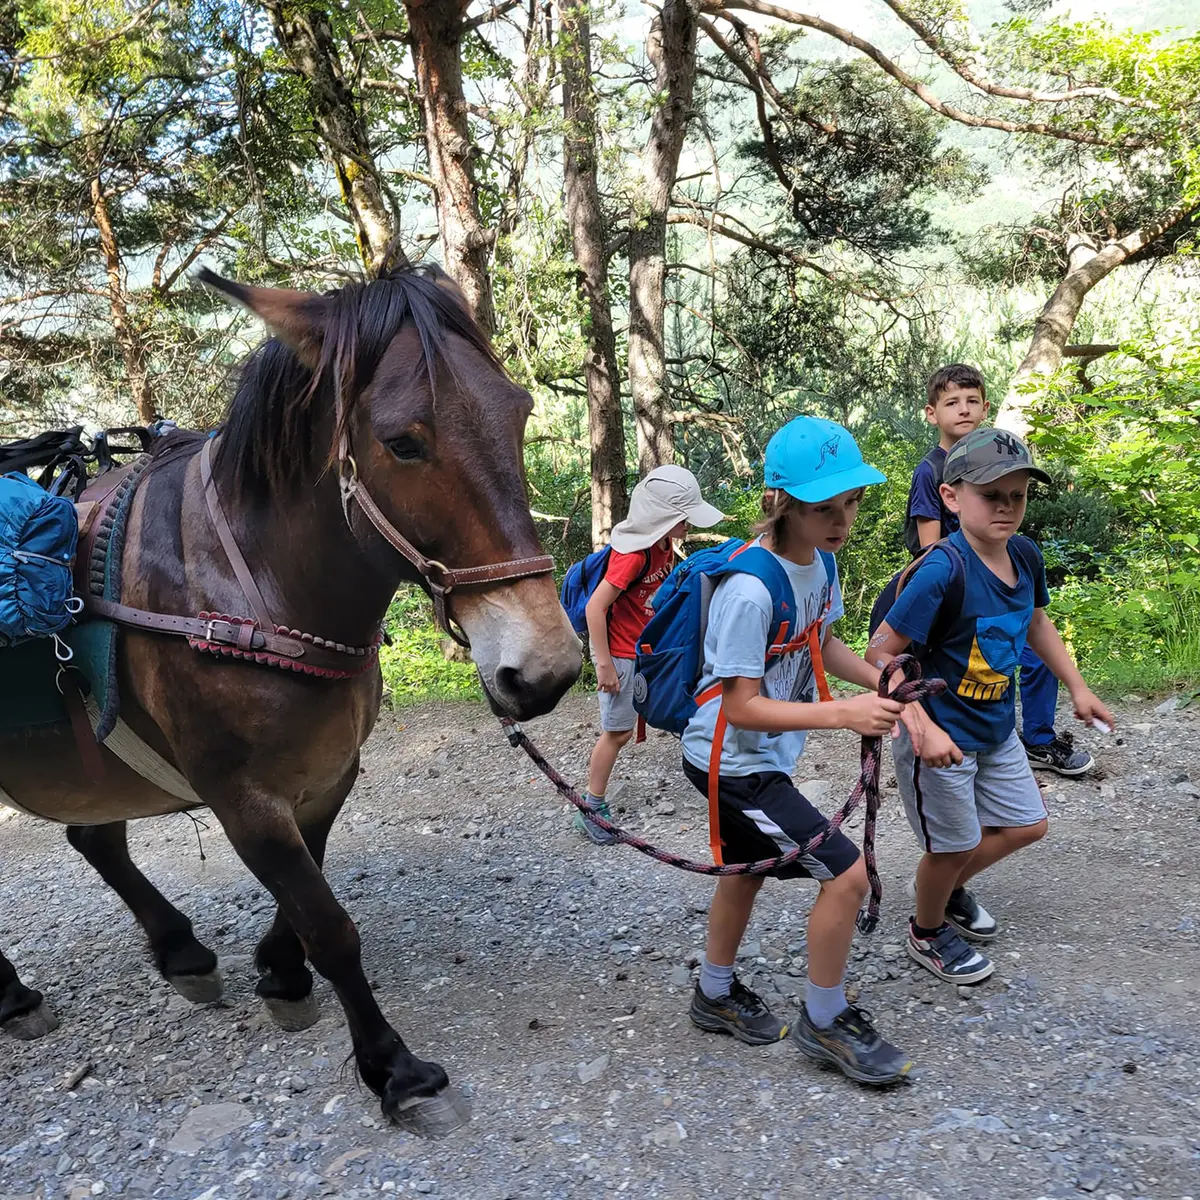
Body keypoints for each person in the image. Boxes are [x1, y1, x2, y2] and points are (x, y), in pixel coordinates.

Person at [682, 415, 913, 1086]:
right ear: (784, 503)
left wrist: (883, 681)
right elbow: (741, 704)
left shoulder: (822, 564)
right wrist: (844, 713)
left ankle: (715, 994)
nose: (842, 519)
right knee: (847, 875)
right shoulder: (751, 591)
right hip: (734, 764)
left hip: (755, 758)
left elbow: (825, 644)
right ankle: (825, 1018)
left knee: (745, 869)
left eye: (852, 501)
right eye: (823, 507)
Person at [871, 428, 1115, 985]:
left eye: (1018, 496)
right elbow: (881, 653)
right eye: (991, 495)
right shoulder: (941, 569)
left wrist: (1077, 687)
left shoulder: (1025, 556)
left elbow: (1035, 623)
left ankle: (944, 887)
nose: (1006, 507)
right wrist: (920, 725)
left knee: (1028, 825)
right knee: (951, 844)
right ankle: (927, 931)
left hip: (996, 727)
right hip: (940, 738)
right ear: (952, 498)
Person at [905, 363, 1093, 776]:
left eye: (973, 401)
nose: (964, 410)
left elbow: (1039, 621)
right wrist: (955, 577)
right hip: (959, 597)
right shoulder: (931, 471)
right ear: (932, 412)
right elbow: (928, 547)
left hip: (1001, 588)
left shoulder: (1002, 458)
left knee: (1037, 654)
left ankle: (1037, 740)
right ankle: (941, 739)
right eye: (953, 402)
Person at [575, 465, 726, 843]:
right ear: (664, 518)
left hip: (647, 654)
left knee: (683, 714)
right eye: (684, 518)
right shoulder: (632, 555)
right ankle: (592, 806)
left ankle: (721, 783)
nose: (689, 525)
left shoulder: (663, 547)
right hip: (622, 658)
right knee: (617, 732)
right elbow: (596, 609)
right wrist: (604, 665)